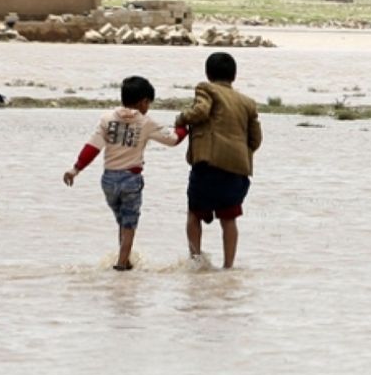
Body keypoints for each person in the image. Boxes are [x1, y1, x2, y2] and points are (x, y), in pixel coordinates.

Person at [63, 75, 187, 271]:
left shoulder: (107, 119)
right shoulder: (146, 122)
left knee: (122, 221)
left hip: (108, 180)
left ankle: (125, 257)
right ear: (143, 101)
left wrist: (75, 168)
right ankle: (121, 263)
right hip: (131, 178)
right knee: (130, 224)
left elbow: (92, 148)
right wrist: (184, 127)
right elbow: (172, 140)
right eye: (149, 103)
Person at [176, 52, 262, 269]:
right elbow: (256, 140)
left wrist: (182, 118)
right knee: (229, 218)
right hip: (237, 169)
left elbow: (201, 111)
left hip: (208, 165)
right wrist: (238, 151)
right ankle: (228, 267)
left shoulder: (206, 89)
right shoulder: (248, 103)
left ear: (208, 73)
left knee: (194, 213)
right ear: (234, 75)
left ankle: (196, 261)